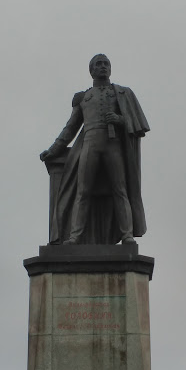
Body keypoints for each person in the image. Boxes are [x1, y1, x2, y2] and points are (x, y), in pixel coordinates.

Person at [40, 54, 150, 245]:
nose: (103, 67)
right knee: (83, 191)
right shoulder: (84, 97)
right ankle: (75, 236)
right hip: (89, 144)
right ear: (91, 70)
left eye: (106, 64)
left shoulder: (121, 93)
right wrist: (53, 150)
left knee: (120, 189)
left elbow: (137, 124)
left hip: (113, 145)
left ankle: (127, 234)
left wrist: (120, 119)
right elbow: (70, 128)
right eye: (98, 64)